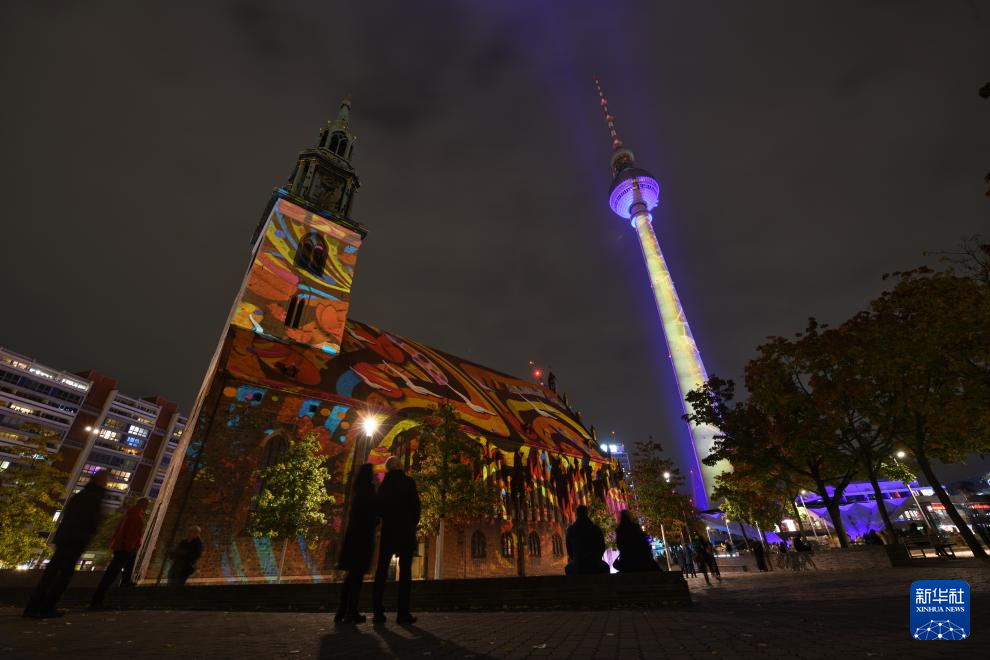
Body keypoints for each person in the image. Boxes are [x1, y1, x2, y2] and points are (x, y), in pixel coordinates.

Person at [24, 472, 108, 618]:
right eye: (105, 481)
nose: (106, 484)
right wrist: (88, 535)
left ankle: (33, 607)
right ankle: (47, 606)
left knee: (51, 573)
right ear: (100, 482)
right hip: (76, 539)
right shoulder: (94, 497)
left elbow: (68, 516)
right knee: (63, 575)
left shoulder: (80, 496)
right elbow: (91, 521)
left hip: (64, 538)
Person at [372, 456, 420, 625]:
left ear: (388, 469)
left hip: (389, 531)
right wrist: (411, 524)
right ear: (400, 466)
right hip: (405, 531)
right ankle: (403, 613)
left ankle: (378, 612)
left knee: (381, 571)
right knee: (405, 573)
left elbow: (378, 509)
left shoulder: (384, 485)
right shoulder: (408, 482)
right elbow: (416, 507)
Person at [335, 463, 378, 624]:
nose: (375, 475)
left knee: (351, 576)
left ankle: (342, 611)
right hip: (362, 539)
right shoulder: (368, 491)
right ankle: (351, 611)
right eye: (373, 473)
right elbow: (370, 514)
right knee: (356, 577)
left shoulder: (357, 491)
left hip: (353, 539)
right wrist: (376, 521)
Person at [90, 497, 150, 609]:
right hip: (125, 548)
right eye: (146, 505)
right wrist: (131, 547)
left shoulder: (129, 514)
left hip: (121, 546)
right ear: (143, 505)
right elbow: (131, 534)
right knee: (112, 572)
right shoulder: (135, 516)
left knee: (124, 565)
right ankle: (97, 599)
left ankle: (125, 581)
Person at [564, 505, 609, 575]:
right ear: (586, 513)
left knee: (568, 568)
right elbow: (602, 547)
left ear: (576, 514)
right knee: (606, 567)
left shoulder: (571, 530)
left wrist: (576, 559)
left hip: (578, 566)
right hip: (595, 565)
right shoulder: (596, 529)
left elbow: (569, 550)